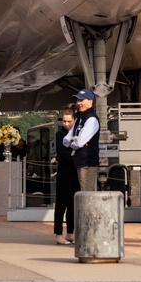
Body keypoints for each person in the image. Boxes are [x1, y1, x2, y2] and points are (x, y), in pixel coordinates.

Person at [63, 89, 100, 191]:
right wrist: (73, 139)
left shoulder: (91, 119)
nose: (79, 103)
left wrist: (75, 141)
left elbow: (79, 142)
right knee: (83, 191)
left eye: (82, 100)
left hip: (88, 162)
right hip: (80, 161)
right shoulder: (79, 118)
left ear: (90, 102)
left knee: (87, 193)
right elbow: (65, 140)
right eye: (78, 100)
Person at [53, 104, 79, 245]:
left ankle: (70, 232)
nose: (66, 124)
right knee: (61, 203)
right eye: (64, 121)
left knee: (72, 202)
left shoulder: (79, 133)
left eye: (69, 121)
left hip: (75, 170)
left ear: (74, 120)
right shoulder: (60, 134)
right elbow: (64, 153)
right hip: (64, 169)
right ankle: (58, 233)